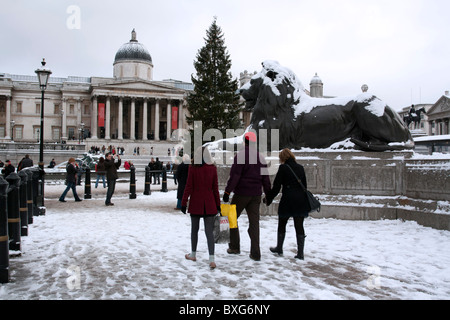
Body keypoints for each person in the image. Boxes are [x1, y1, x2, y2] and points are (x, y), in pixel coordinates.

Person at [223, 132, 271, 261]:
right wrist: (268, 194)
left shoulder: (241, 156)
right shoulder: (261, 157)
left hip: (241, 194)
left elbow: (235, 176)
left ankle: (234, 246)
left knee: (231, 217)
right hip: (256, 195)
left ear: (245, 142)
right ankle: (255, 252)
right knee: (254, 223)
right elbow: (265, 178)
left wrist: (227, 192)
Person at [264, 148, 309, 260]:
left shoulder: (283, 168)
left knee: (282, 223)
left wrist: (268, 198)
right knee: (299, 226)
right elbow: (305, 186)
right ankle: (300, 253)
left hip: (288, 199)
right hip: (300, 200)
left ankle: (279, 248)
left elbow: (277, 187)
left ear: (283, 158)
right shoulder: (300, 168)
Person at [181, 147, 220, 269]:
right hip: (209, 204)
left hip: (196, 203)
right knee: (209, 232)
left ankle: (193, 254)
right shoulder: (212, 168)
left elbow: (188, 186)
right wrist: (218, 204)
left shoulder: (193, 168)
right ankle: (212, 259)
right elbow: (215, 189)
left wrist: (183, 202)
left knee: (194, 230)